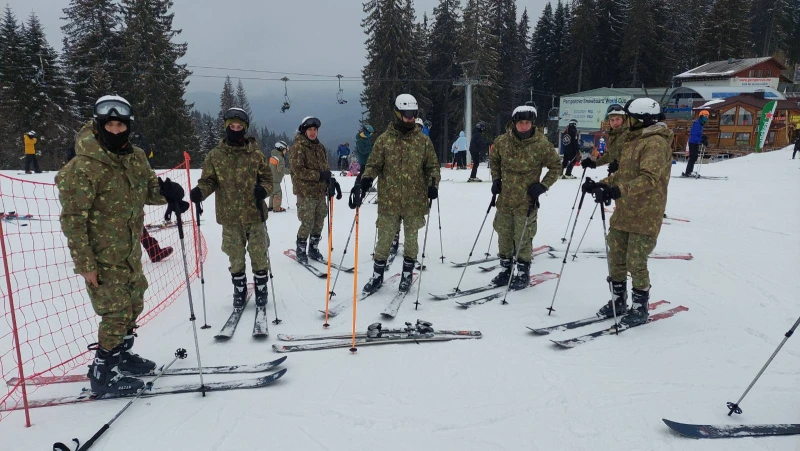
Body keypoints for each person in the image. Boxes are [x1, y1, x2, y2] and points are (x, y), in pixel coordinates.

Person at [56, 95, 187, 395]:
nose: (115, 131)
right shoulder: (83, 166)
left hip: (128, 251)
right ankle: (103, 374)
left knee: (133, 303)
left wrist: (168, 193)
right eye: (110, 125)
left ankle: (122, 356)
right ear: (100, 126)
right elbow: (73, 219)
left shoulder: (135, 157)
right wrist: (85, 263)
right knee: (114, 313)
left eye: (120, 125)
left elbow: (147, 190)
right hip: (102, 255)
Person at [582, 97, 673, 327]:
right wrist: (601, 184)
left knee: (636, 259)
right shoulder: (634, 140)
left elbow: (648, 178)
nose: (626, 121)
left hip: (645, 212)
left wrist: (616, 190)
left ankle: (640, 306)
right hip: (625, 210)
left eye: (630, 117)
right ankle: (618, 300)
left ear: (640, 119)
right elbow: (624, 173)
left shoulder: (655, 143)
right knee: (616, 255)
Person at [354, 94, 440, 294]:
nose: (410, 118)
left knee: (411, 241)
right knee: (384, 240)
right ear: (397, 113)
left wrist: (433, 184)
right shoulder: (385, 140)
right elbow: (374, 163)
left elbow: (432, 167)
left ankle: (407, 275)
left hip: (414, 201)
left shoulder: (423, 141)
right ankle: (377, 276)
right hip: (389, 201)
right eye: (407, 114)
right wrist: (366, 179)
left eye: (413, 114)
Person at [189, 108, 272, 311]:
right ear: (226, 128)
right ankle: (240, 289)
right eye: (232, 127)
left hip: (254, 213)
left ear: (245, 128)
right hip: (230, 215)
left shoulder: (256, 154)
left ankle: (261, 288)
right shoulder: (215, 156)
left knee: (259, 252)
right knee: (235, 255)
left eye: (239, 127)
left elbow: (268, 179)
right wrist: (200, 192)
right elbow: (209, 180)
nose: (236, 130)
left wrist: (264, 190)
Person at [489, 105, 561, 290]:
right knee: (503, 235)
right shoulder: (502, 141)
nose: (524, 126)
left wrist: (543, 185)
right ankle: (506, 270)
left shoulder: (541, 144)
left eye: (527, 122)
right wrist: (496, 179)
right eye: (520, 122)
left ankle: (522, 272)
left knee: (523, 237)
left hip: (526, 201)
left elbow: (556, 167)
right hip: (505, 199)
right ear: (514, 123)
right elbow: (494, 160)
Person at [289, 116, 341, 264]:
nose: (312, 132)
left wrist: (330, 180)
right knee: (307, 222)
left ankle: (313, 248)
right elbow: (298, 171)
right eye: (310, 130)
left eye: (315, 130)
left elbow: (325, 168)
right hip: (305, 192)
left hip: (320, 192)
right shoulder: (298, 148)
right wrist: (319, 175)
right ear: (304, 131)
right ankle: (300, 250)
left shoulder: (320, 147)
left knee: (319, 221)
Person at [581, 103, 628, 173]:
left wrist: (620, 165)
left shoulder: (630, 134)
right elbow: (609, 155)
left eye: (618, 119)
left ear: (624, 119)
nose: (615, 123)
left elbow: (635, 157)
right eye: (612, 120)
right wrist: (594, 163)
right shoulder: (612, 135)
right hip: (618, 177)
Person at [683, 110, 708, 177]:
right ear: (701, 116)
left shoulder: (700, 123)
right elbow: (693, 135)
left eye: (707, 116)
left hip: (695, 142)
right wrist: (701, 140)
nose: (706, 118)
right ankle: (688, 172)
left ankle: (689, 171)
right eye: (705, 116)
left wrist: (703, 136)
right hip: (693, 142)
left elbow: (697, 134)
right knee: (693, 157)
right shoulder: (697, 124)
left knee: (694, 157)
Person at [269, 140, 289, 212]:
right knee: (278, 193)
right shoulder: (280, 158)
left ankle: (271, 206)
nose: (285, 152)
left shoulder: (273, 157)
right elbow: (281, 169)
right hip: (276, 180)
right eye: (285, 150)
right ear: (281, 149)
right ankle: (276, 208)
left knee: (273, 193)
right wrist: (290, 171)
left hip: (270, 179)